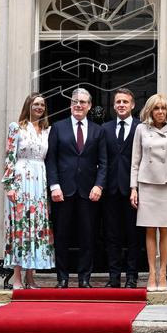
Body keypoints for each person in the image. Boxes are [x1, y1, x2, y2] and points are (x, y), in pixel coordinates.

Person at [45, 87, 108, 288]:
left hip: (89, 192)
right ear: (70, 104)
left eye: (82, 102)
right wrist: (54, 186)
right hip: (62, 191)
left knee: (88, 236)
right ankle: (62, 278)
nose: (78, 105)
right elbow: (51, 160)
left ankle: (84, 278)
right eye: (75, 102)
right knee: (62, 235)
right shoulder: (57, 127)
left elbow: (103, 162)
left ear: (89, 106)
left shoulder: (98, 130)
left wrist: (99, 185)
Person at [130, 93, 167, 292]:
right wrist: (133, 188)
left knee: (165, 229)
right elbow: (135, 161)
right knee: (149, 229)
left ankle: (163, 273)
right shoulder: (141, 129)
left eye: (163, 108)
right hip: (147, 183)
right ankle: (152, 273)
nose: (160, 112)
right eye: (156, 108)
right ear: (150, 110)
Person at [1, 93, 54, 289]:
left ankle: (31, 277)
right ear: (28, 106)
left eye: (42, 104)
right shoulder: (17, 128)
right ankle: (17, 278)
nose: (39, 107)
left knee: (36, 228)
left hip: (39, 181)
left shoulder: (46, 131)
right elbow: (9, 157)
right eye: (36, 104)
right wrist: (9, 185)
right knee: (20, 227)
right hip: (21, 180)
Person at [101, 88, 142, 288]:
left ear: (132, 105)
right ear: (114, 105)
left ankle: (132, 277)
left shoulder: (141, 128)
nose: (121, 105)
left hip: (134, 191)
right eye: (118, 102)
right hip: (110, 191)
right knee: (112, 236)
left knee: (133, 236)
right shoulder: (105, 128)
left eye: (125, 101)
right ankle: (114, 277)